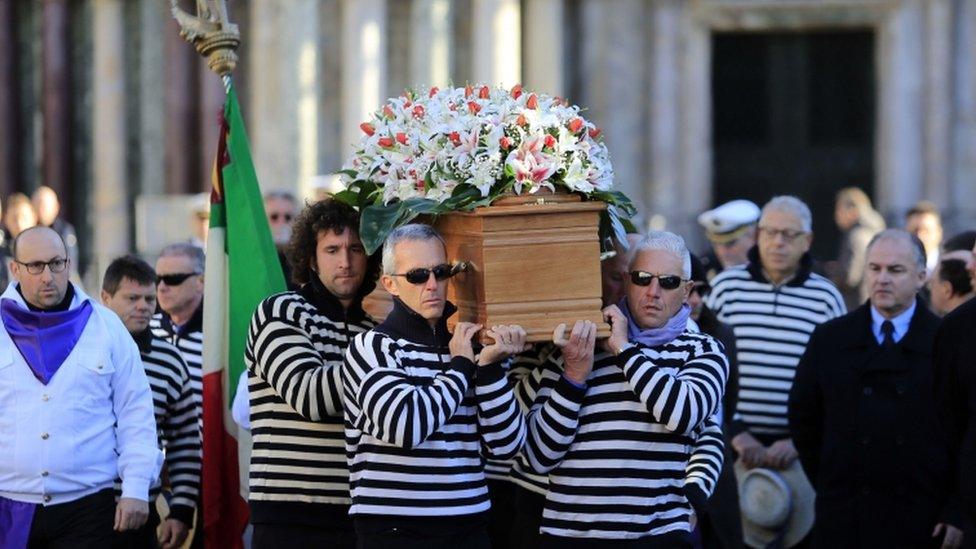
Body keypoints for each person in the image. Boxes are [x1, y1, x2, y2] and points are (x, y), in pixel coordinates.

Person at [517, 231, 728, 547]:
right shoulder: (582, 346)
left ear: (686, 291)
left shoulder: (703, 350)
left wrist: (623, 348)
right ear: (628, 282)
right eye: (642, 278)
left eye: (667, 282)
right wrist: (574, 376)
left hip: (658, 537)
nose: (653, 292)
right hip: (568, 535)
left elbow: (681, 413)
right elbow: (538, 457)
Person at [342, 224, 527, 548]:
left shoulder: (470, 346)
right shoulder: (371, 347)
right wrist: (460, 368)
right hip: (394, 530)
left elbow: (508, 446)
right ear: (390, 284)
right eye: (417, 276)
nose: (433, 285)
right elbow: (406, 426)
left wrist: (489, 369)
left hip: (469, 525)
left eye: (441, 272)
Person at [789, 229, 963, 548]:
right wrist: (834, 477)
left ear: (922, 276)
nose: (882, 279)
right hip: (845, 515)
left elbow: (965, 433)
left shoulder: (945, 342)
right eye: (874, 268)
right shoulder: (830, 338)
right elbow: (804, 418)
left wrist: (957, 509)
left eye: (895, 270)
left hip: (921, 517)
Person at [0, 227, 162, 547]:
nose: (48, 276)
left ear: (69, 263)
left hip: (87, 509)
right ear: (14, 269)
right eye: (35, 266)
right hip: (9, 508)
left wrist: (135, 489)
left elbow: (136, 412)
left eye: (56, 263)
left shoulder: (105, 326)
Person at [244, 199, 378, 547]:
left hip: (362, 515)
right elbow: (311, 396)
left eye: (356, 249)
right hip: (289, 516)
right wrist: (388, 353)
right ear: (311, 259)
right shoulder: (280, 311)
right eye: (332, 249)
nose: (345, 262)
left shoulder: (375, 326)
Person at [705, 196, 845, 479]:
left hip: (800, 453)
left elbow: (838, 380)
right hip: (731, 447)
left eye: (789, 234)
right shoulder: (724, 289)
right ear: (758, 235)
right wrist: (736, 431)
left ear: (807, 240)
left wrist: (799, 439)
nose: (778, 242)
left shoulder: (826, 298)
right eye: (770, 232)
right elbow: (705, 366)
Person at [101, 255, 201, 549]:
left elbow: (183, 440)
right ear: (106, 298)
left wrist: (181, 511)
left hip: (142, 510)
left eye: (149, 298)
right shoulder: (79, 353)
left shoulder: (170, 361)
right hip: (81, 508)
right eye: (132, 298)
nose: (144, 306)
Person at [688, 253, 744, 548]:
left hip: (717, 473)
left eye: (701, 291)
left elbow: (728, 404)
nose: (695, 300)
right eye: (687, 289)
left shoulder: (722, 335)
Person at [151, 243, 205, 408]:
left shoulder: (220, 336)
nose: (161, 287)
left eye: (173, 279)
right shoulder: (144, 329)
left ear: (201, 282)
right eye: (157, 279)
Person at [829, 187, 885, 309]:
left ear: (853, 210)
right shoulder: (878, 232)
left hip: (856, 305)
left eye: (839, 209)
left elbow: (850, 278)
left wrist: (833, 275)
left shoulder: (856, 236)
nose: (836, 215)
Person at [697, 199, 761, 280]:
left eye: (730, 243)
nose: (722, 251)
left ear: (754, 236)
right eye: (715, 243)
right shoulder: (703, 269)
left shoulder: (772, 269)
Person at [32, 186, 79, 277]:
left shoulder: (64, 230)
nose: (41, 210)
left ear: (56, 207)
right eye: (37, 205)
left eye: (44, 206)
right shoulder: (29, 230)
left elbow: (70, 262)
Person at [263, 190, 299, 288]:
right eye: (274, 217)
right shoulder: (255, 256)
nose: (281, 222)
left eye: (287, 217)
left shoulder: (304, 260)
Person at [905, 201, 944, 276]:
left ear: (939, 233)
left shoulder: (948, 264)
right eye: (915, 230)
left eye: (926, 230)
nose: (920, 236)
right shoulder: (897, 264)